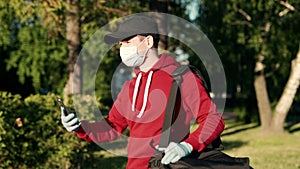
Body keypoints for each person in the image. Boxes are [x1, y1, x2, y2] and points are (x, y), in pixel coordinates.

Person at [61, 15, 225, 169]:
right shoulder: (129, 87)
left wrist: (187, 146)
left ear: (147, 42)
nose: (122, 47)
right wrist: (80, 127)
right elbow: (112, 128)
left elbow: (213, 119)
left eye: (127, 41)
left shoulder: (181, 77)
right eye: (121, 44)